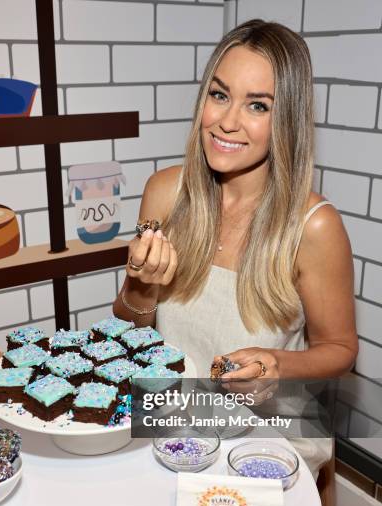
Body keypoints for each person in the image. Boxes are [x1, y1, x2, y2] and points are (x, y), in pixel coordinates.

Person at [113, 19, 358, 477]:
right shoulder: (163, 194)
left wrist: (277, 364)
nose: (227, 121)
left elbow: (340, 348)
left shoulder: (315, 226)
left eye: (258, 105)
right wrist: (142, 289)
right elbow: (133, 332)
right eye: (220, 95)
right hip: (171, 411)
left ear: (286, 119)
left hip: (269, 427)